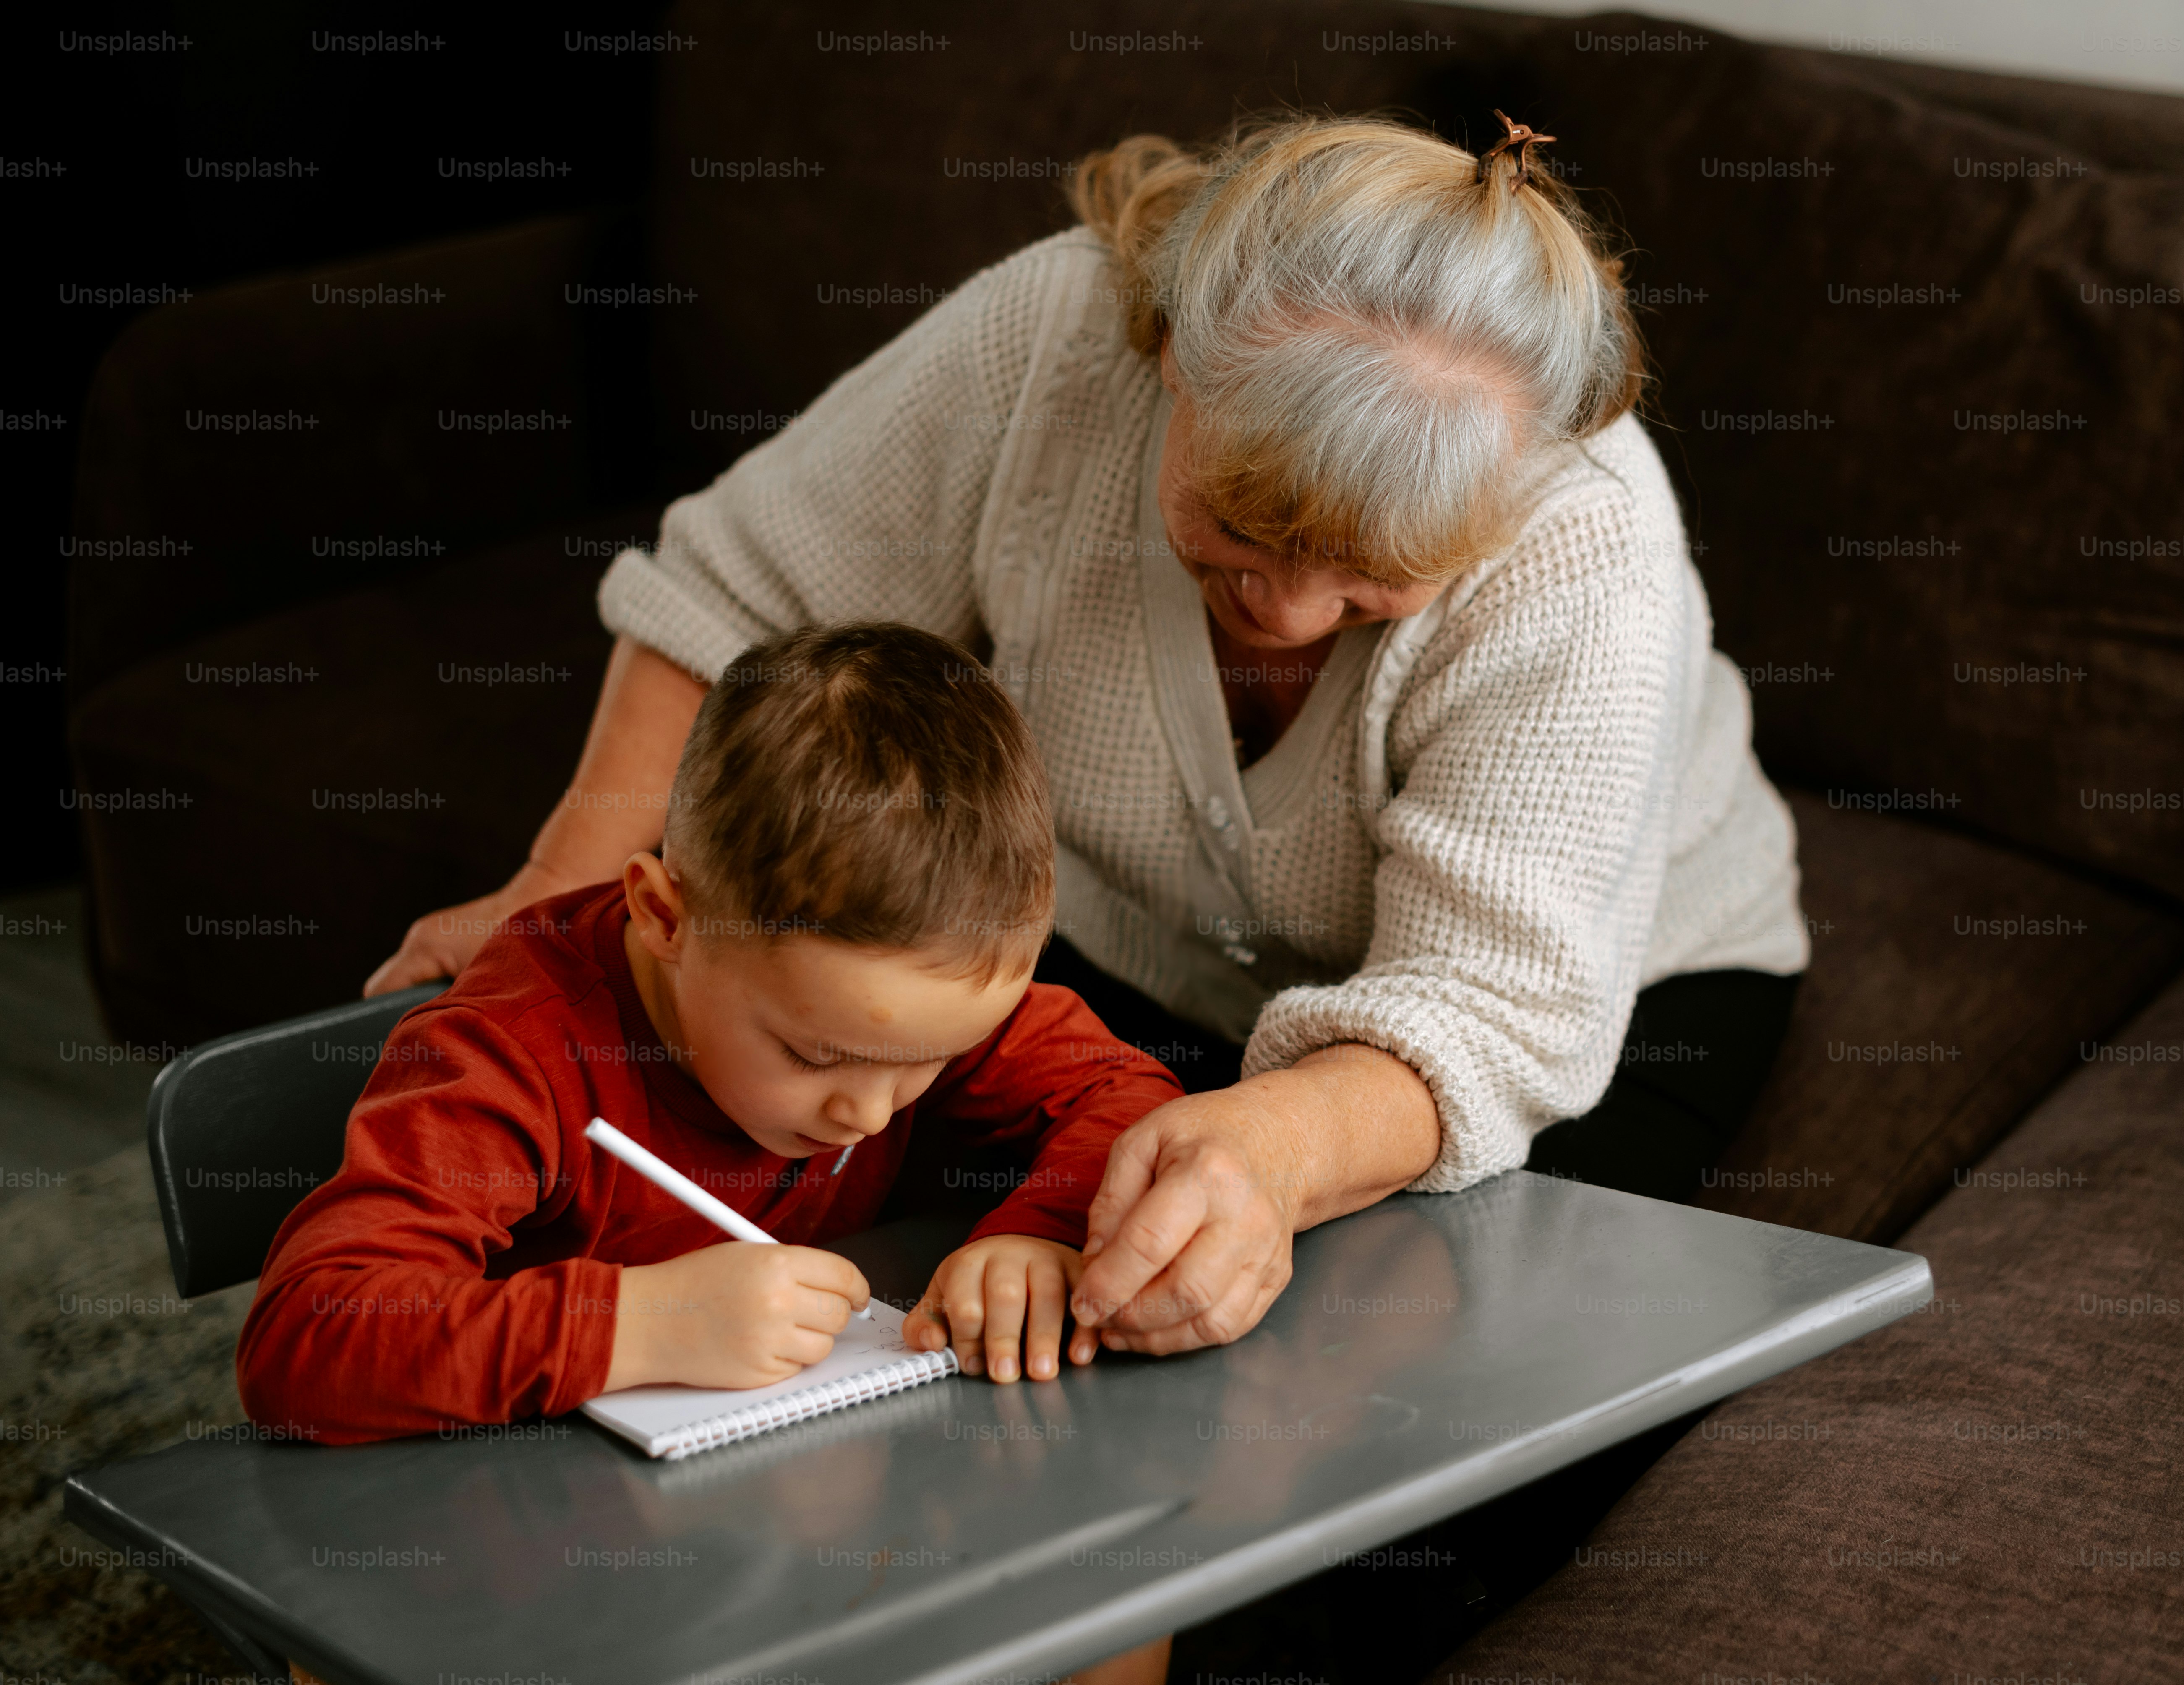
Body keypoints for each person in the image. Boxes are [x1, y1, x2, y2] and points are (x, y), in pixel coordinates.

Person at [365, 110, 1808, 1371]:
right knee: (954, 1305)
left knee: (1390, 1386)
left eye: (1371, 577)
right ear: (1170, 354)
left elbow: (1489, 1012)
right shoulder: (1052, 337)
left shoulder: (1583, 539)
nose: (1292, 615)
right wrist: (548, 885)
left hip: (1592, 1009)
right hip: (1124, 949)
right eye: (1239, 534)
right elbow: (743, 593)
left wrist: (1271, 1146)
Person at [240, 622, 1184, 1448]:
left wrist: (1039, 1231)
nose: (865, 1111)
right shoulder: (515, 1054)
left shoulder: (908, 997)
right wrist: (644, 1325)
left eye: (927, 1065)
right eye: (812, 1055)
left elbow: (1128, 1101)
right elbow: (307, 1341)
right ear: (663, 916)